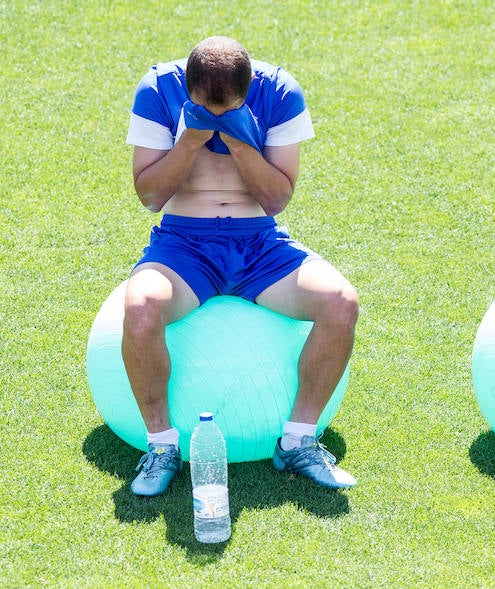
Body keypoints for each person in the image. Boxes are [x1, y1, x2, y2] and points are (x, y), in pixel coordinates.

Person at [123, 36, 358, 496]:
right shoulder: (156, 90)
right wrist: (189, 141)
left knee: (340, 302)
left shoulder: (280, 91)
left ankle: (298, 441)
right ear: (186, 87)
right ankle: (162, 447)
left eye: (224, 108)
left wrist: (240, 143)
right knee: (140, 307)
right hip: (182, 244)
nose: (213, 115)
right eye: (203, 108)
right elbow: (150, 197)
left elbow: (276, 198)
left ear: (248, 89)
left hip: (259, 243)